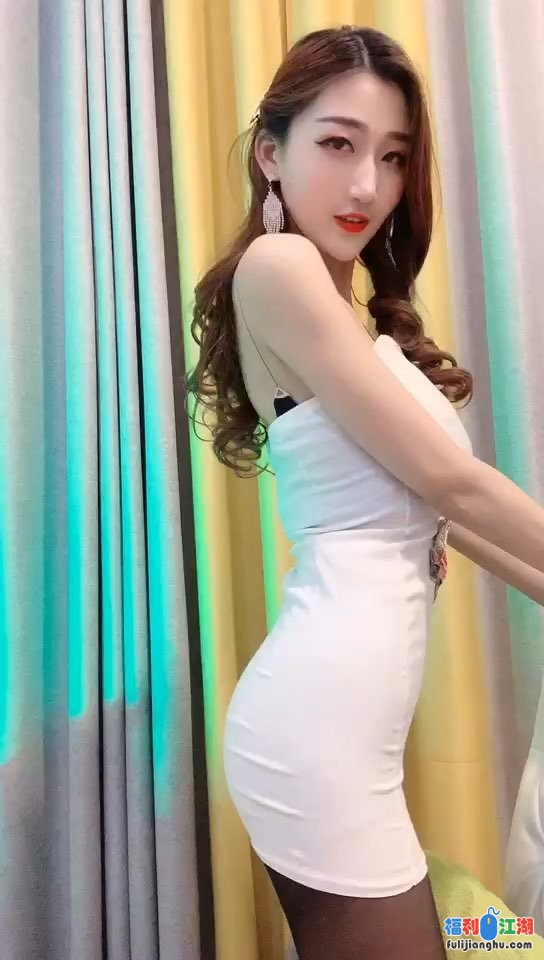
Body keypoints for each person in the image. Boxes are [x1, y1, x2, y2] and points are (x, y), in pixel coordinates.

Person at [185, 25, 544, 960]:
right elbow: (451, 480)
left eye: (391, 157)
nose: (366, 187)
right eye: (338, 144)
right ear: (271, 153)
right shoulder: (278, 269)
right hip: (317, 734)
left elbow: (441, 512)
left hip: (342, 735)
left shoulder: (348, 320)